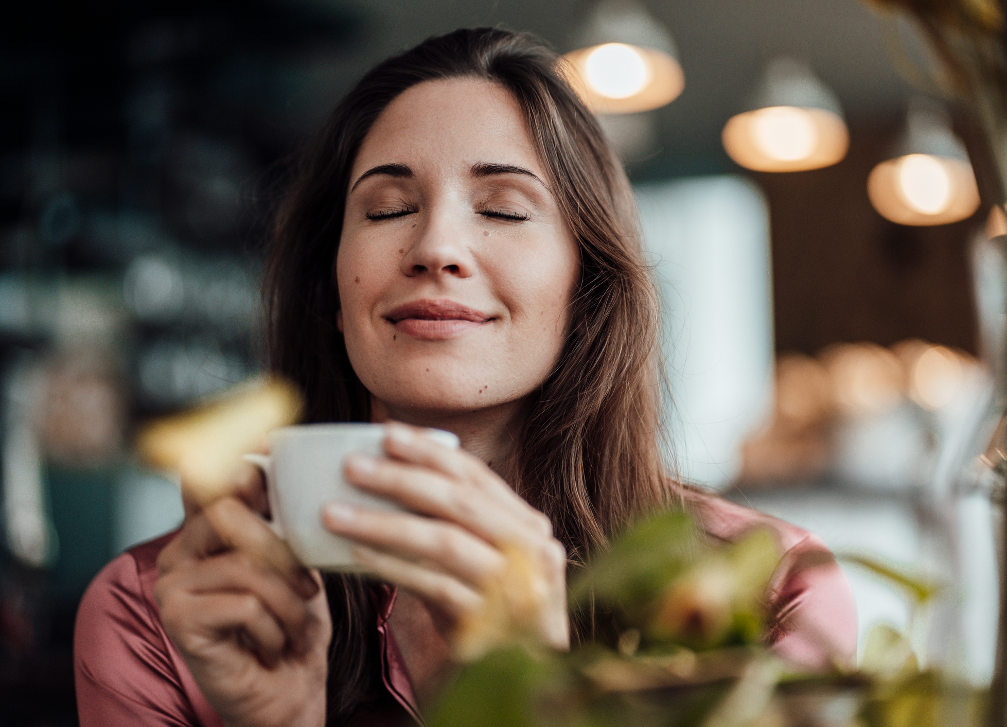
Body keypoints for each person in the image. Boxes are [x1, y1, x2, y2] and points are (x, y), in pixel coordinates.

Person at [73, 27, 857, 727]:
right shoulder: (157, 613)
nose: (436, 246)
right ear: (333, 294)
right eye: (385, 209)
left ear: (584, 291)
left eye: (505, 209)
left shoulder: (770, 593)